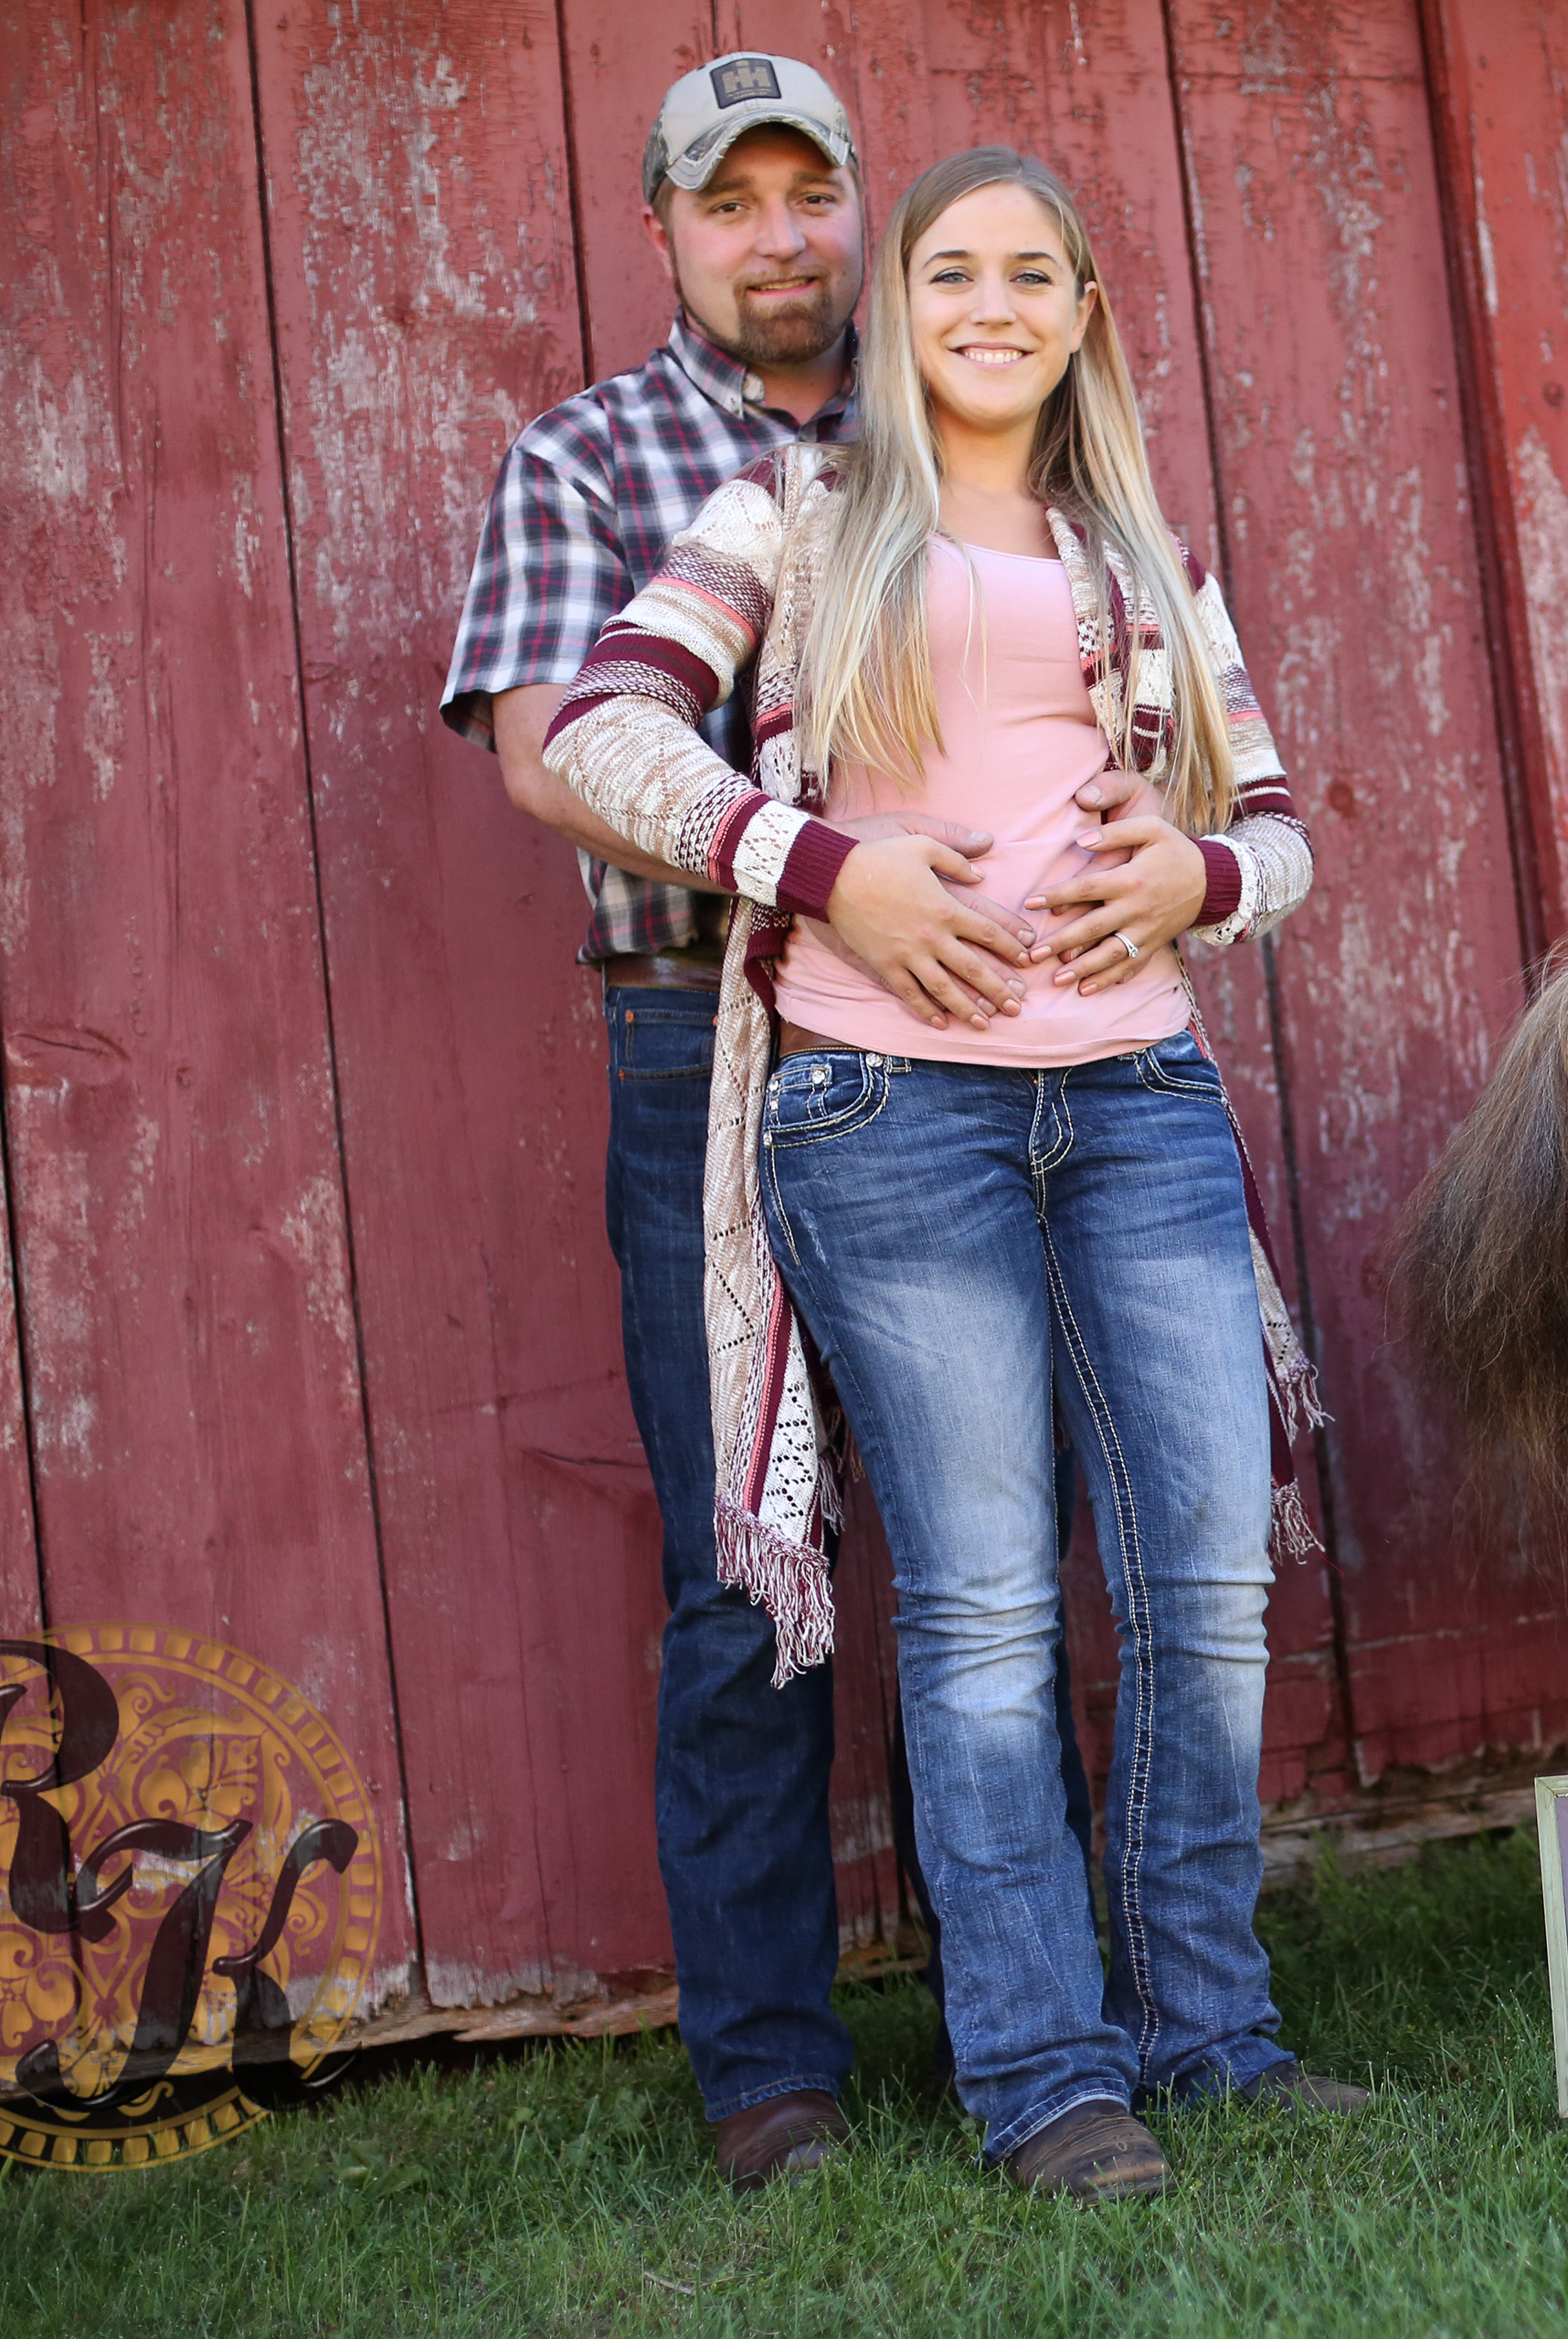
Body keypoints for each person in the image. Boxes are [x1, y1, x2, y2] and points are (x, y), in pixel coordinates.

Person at [542, 144, 1361, 2200]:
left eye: (1030, 276)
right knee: (986, 1607)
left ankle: (1210, 2033)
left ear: (1082, 316)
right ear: (899, 308)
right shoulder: (795, 517)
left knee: (1208, 1589)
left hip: (1141, 1100)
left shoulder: (1140, 552)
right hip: (891, 1112)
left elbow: (1277, 826)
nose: (991, 306)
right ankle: (1046, 2076)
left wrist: (1199, 876)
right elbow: (603, 729)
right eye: (951, 273)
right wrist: (829, 869)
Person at [440, 55, 1091, 2197]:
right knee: (746, 1557)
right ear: (665, 231)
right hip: (701, 1039)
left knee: (995, 1538)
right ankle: (771, 2066)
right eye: (733, 202)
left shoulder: (963, 432)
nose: (781, 236)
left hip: (976, 1033)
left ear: (860, 213)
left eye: (815, 195)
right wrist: (823, 860)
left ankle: (1046, 2020)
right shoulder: (590, 457)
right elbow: (550, 751)